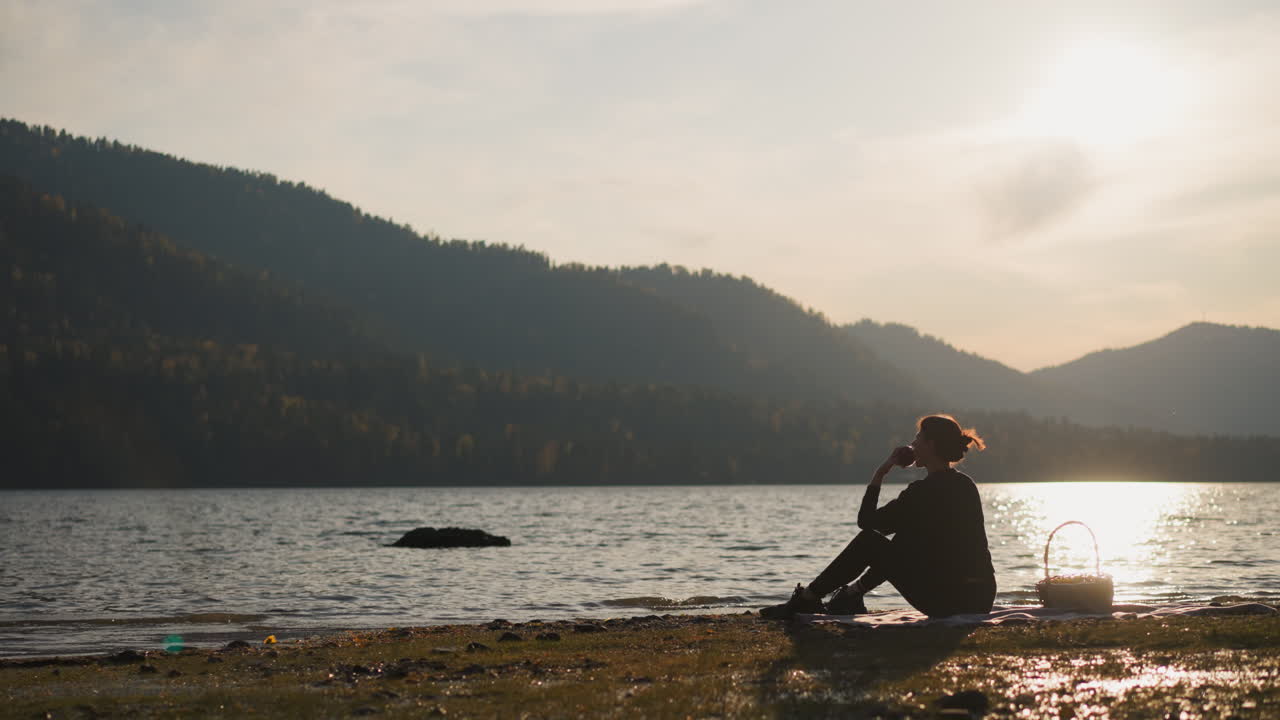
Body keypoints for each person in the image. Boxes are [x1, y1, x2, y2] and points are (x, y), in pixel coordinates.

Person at [760, 414, 997, 619]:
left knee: (870, 541)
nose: (912, 444)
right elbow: (900, 547)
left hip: (949, 601)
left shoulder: (922, 492)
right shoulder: (965, 485)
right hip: (981, 597)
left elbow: (867, 524)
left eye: (917, 439)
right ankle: (851, 594)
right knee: (904, 538)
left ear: (931, 445)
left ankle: (808, 598)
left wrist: (881, 473)